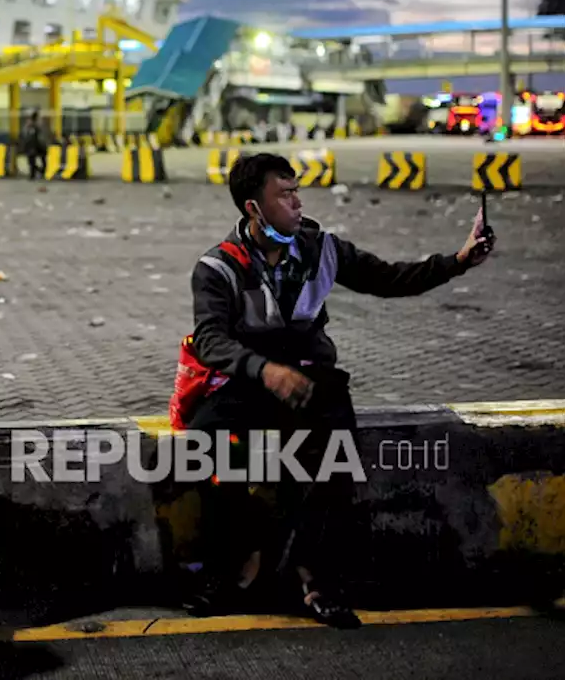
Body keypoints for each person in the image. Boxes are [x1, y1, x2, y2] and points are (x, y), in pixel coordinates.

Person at [175, 152, 495, 628]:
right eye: (284, 194)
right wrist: (264, 370)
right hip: (250, 383)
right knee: (204, 449)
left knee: (336, 461)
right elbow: (210, 339)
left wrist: (459, 261)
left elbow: (388, 278)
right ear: (253, 208)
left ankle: (314, 579)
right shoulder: (217, 267)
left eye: (296, 190)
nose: (298, 202)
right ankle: (241, 567)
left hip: (310, 383)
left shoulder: (321, 248)